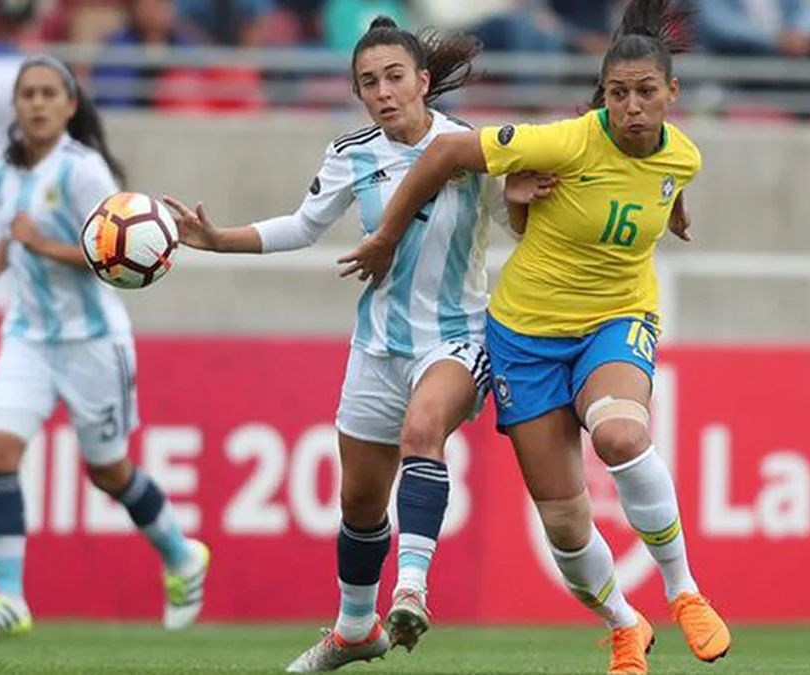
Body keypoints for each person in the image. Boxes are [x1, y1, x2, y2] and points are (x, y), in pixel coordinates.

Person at [337, 1, 732, 672]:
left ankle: (684, 589)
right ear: (601, 97)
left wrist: (678, 215)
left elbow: (667, 181)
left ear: (672, 94)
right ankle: (624, 625)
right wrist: (383, 237)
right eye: (617, 94)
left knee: (619, 433)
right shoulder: (566, 140)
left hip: (615, 319)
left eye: (645, 92)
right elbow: (445, 151)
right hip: (524, 336)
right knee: (566, 523)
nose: (631, 107)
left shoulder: (683, 156)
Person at [162, 17, 551, 672]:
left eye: (395, 77)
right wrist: (219, 237)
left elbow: (517, 222)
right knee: (360, 502)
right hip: (377, 345)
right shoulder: (353, 154)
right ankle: (352, 629)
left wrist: (516, 199)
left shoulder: (469, 147)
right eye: (368, 82)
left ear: (423, 81)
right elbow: (302, 225)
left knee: (424, 429)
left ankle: (412, 589)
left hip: (456, 336)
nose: (383, 91)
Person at [0, 55, 210, 640]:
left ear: (70, 105)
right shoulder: (7, 173)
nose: (38, 103)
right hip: (27, 337)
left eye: (49, 93)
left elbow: (113, 260)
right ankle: (9, 598)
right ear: (17, 106)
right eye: (28, 94)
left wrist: (41, 246)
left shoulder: (84, 171)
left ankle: (180, 555)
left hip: (92, 341)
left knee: (108, 471)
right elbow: (11, 236)